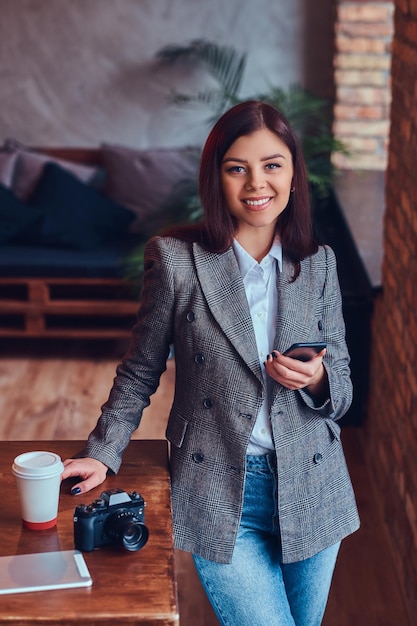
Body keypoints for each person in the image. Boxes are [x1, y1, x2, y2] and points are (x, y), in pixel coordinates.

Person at [62, 100, 360, 626]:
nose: (256, 184)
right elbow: (140, 368)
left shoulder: (320, 264)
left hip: (314, 488)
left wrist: (316, 379)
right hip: (221, 490)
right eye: (236, 168)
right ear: (215, 179)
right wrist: (103, 452)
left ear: (293, 177)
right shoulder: (176, 261)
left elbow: (342, 388)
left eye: (272, 165)